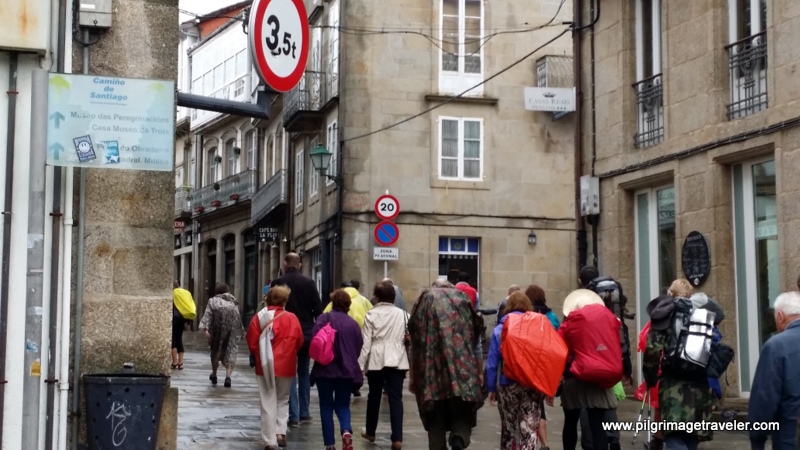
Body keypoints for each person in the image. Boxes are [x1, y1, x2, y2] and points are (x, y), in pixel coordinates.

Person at [408, 283, 485, 450]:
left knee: (435, 415)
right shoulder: (463, 300)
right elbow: (477, 343)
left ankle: (438, 445)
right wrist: (479, 372)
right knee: (461, 411)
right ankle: (458, 439)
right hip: (463, 372)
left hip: (431, 373)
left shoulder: (424, 301)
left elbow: (414, 343)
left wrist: (413, 376)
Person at [643, 294, 715, 450]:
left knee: (674, 436)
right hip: (700, 385)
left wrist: (650, 378)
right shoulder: (701, 313)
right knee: (691, 437)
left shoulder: (665, 315)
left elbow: (652, 350)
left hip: (673, 386)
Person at [577, 266, 631, 450]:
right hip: (613, 355)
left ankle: (590, 443)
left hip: (591, 357)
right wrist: (627, 366)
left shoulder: (582, 299)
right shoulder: (613, 297)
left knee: (587, 404)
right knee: (609, 399)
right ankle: (613, 438)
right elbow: (622, 330)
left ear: (580, 282)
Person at [558, 289, 619, 450]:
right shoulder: (608, 322)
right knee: (597, 425)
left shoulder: (568, 324)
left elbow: (559, 351)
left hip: (573, 380)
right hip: (598, 380)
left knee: (570, 423)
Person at [486, 291, 548, 450]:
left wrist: (491, 388)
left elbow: (492, 362)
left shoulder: (500, 329)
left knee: (508, 429)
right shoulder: (537, 327)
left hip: (507, 384)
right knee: (529, 429)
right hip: (531, 383)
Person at [246, 285, 304, 450]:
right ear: (285, 300)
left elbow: (251, 342)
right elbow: (299, 341)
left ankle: (269, 440)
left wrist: (260, 355)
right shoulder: (292, 318)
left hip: (265, 365)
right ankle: (280, 431)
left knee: (267, 401)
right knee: (283, 399)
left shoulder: (260, 317)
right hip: (287, 363)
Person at [270, 253, 322, 427]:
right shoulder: (309, 283)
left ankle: (292, 416)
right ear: (299, 265)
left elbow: (271, 309)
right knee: (304, 373)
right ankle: (304, 412)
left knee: (289, 373)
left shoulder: (277, 283)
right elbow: (318, 311)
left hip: (284, 333)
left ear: (285, 263)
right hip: (306, 333)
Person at [310, 289, 364, 450]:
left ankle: (330, 444)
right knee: (343, 405)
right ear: (348, 305)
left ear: (333, 303)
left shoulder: (323, 319)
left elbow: (314, 341)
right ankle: (346, 430)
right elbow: (359, 346)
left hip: (324, 370)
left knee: (326, 406)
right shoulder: (353, 324)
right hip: (346, 371)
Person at [358, 281, 409, 450]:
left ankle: (371, 431)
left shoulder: (371, 314)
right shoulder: (404, 315)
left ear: (377, 297)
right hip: (397, 358)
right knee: (396, 398)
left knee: (374, 396)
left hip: (376, 359)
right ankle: (397, 438)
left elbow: (366, 344)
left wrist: (359, 366)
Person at [749, 291, 800, 450]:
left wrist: (757, 438)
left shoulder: (777, 346)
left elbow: (765, 398)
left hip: (790, 437)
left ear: (780, 316)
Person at [524, 285, 558, 449]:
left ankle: (537, 441)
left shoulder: (525, 316)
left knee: (533, 406)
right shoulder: (551, 316)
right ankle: (544, 443)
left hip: (529, 366)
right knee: (540, 406)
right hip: (546, 366)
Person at [198, 282, 243, 388]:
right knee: (230, 350)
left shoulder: (212, 301)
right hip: (231, 330)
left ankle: (214, 374)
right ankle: (228, 376)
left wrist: (205, 328)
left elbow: (208, 314)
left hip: (216, 330)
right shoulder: (233, 302)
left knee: (215, 351)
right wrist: (240, 331)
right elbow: (238, 318)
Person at [172, 281, 195, 370]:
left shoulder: (173, 293)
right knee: (179, 339)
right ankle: (181, 361)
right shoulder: (185, 292)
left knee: (173, 340)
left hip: (174, 318)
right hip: (182, 318)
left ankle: (174, 362)